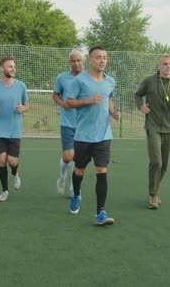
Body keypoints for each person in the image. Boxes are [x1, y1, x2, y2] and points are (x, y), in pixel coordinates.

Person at [65, 46, 120, 226]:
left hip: (103, 135)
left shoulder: (110, 81)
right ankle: (75, 195)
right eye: (98, 57)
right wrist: (88, 101)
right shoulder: (80, 81)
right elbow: (68, 103)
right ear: (90, 60)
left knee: (101, 171)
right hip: (83, 135)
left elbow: (108, 99)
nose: (102, 60)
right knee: (79, 170)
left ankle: (100, 213)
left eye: (105, 57)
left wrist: (113, 112)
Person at [134, 53, 170, 209]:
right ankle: (153, 195)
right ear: (159, 65)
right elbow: (138, 95)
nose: (167, 67)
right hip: (153, 126)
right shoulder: (149, 81)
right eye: (164, 64)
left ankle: (155, 191)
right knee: (156, 161)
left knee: (164, 164)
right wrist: (140, 106)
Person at [0, 56, 28, 203]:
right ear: (2, 69)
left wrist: (23, 108)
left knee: (12, 161)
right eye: (10, 66)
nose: (13, 69)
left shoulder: (21, 86)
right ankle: (4, 190)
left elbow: (27, 105)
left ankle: (15, 173)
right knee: (2, 159)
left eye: (14, 66)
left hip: (15, 129)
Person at [52, 50, 84, 197]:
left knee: (79, 159)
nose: (76, 63)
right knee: (68, 157)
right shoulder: (62, 78)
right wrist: (62, 104)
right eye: (73, 61)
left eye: (79, 60)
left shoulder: (89, 78)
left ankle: (74, 189)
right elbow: (55, 95)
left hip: (84, 123)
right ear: (69, 62)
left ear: (83, 61)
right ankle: (62, 177)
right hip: (67, 122)